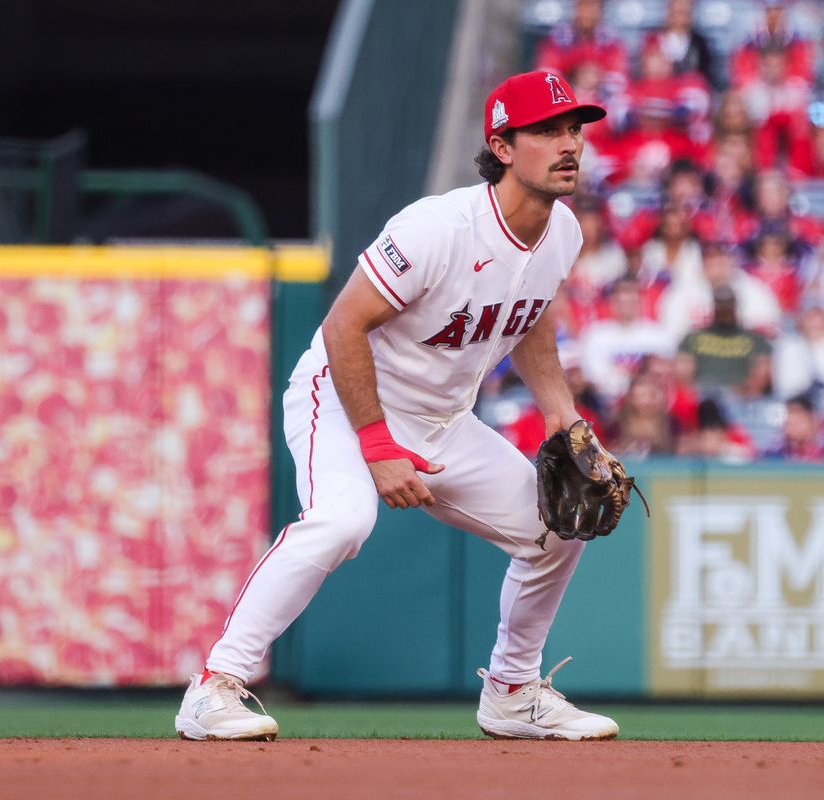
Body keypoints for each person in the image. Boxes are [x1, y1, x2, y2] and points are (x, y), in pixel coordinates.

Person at [176, 71, 620, 743]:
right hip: (344, 397)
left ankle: (512, 693)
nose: (569, 144)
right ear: (502, 147)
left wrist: (563, 411)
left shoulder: (562, 232)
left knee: (557, 531)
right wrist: (377, 444)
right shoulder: (438, 228)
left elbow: (530, 313)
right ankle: (214, 686)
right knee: (342, 522)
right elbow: (343, 325)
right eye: (547, 131)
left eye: (574, 129)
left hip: (443, 420)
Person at [579, 278, 676, 404]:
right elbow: (593, 377)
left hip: (651, 400)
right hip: (607, 400)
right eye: (622, 302)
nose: (627, 307)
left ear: (640, 303)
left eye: (632, 302)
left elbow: (666, 375)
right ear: (612, 304)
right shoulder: (595, 335)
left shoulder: (658, 335)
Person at [676, 284, 773, 392]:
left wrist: (745, 392)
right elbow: (683, 373)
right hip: (703, 393)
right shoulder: (694, 338)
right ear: (714, 306)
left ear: (735, 306)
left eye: (728, 305)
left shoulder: (754, 339)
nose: (724, 310)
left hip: (740, 395)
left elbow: (762, 375)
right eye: (721, 305)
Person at [762, 393, 824, 462]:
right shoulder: (775, 453)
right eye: (788, 414)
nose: (790, 420)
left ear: (814, 419)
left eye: (797, 413)